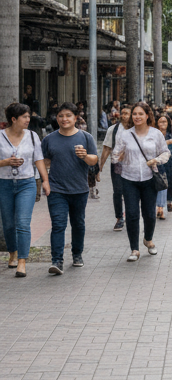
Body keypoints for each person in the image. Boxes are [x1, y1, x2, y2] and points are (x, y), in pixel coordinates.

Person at [41, 103, 99, 275]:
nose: (64, 119)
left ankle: (77, 254)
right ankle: (57, 260)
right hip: (56, 189)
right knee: (58, 224)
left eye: (68, 115)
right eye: (60, 116)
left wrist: (85, 156)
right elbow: (43, 162)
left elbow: (94, 160)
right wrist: (45, 180)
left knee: (78, 223)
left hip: (79, 189)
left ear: (75, 118)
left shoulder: (86, 137)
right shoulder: (49, 139)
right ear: (56, 118)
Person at [110, 102, 169, 262]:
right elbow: (114, 156)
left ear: (147, 116)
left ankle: (148, 239)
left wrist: (155, 160)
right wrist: (119, 157)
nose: (137, 117)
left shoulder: (156, 134)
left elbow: (166, 153)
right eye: (134, 114)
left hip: (150, 179)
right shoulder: (125, 135)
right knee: (132, 214)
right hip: (129, 179)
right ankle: (134, 249)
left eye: (140, 114)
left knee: (149, 214)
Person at [0, 102, 49, 277]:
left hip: (26, 183)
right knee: (8, 224)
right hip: (4, 183)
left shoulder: (33, 136)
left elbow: (39, 160)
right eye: (25, 117)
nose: (28, 119)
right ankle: (12, 252)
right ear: (14, 119)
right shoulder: (0, 137)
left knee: (22, 222)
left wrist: (45, 180)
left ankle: (22, 261)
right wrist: (6, 162)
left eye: (29, 116)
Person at [98, 103, 132, 231]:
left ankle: (130, 215)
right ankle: (119, 217)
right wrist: (100, 166)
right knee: (118, 191)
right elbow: (106, 148)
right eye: (122, 113)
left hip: (132, 166)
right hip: (117, 165)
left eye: (127, 113)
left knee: (130, 192)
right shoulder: (113, 129)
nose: (124, 116)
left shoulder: (137, 129)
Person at [155, 113, 172, 219]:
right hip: (157, 163)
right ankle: (160, 208)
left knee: (168, 184)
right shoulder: (153, 135)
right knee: (160, 185)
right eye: (160, 121)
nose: (162, 124)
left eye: (164, 121)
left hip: (169, 163)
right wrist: (167, 142)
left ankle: (166, 202)